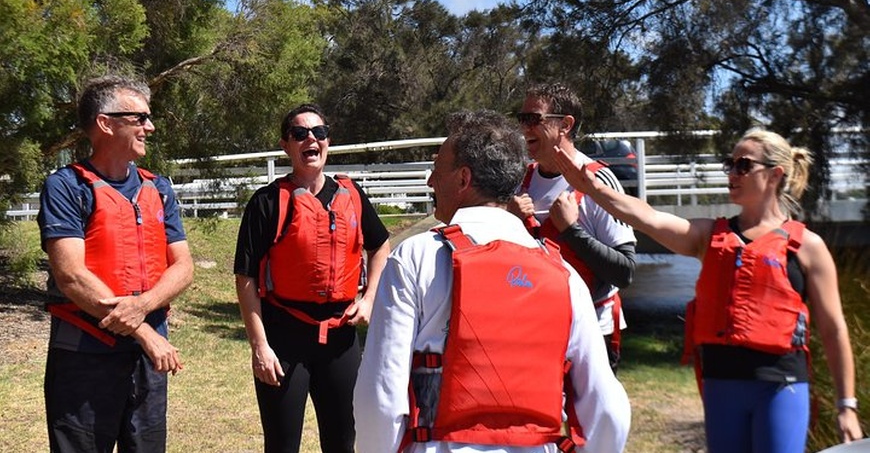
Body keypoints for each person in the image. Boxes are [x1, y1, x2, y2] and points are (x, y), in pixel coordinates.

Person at [551, 127, 864, 452]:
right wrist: (590, 188)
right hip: (721, 383)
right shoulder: (708, 236)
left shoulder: (808, 247)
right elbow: (647, 218)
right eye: (730, 163)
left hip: (781, 386)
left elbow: (834, 329)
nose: (732, 172)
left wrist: (846, 405)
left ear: (775, 175)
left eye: (744, 165)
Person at [355, 110, 630, 453]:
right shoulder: (565, 276)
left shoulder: (416, 257)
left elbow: (381, 394)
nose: (429, 182)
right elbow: (607, 407)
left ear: (463, 179)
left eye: (436, 171)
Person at [37, 75, 194, 452]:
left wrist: (142, 310)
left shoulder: (158, 187)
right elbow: (72, 276)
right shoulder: (65, 187)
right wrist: (144, 331)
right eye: (140, 118)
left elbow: (183, 265)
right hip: (84, 359)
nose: (150, 127)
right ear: (106, 123)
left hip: (147, 361)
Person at [233, 103, 391, 453]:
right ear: (286, 145)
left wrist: (368, 298)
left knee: (342, 443)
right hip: (285, 337)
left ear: (328, 141)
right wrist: (260, 346)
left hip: (340, 341)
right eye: (300, 133)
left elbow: (381, 245)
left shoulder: (351, 195)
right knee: (282, 444)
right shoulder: (267, 202)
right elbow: (245, 277)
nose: (311, 139)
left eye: (319, 132)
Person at [510, 82, 636, 372]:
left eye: (533, 119)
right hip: (537, 330)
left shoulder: (597, 182)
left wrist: (571, 231)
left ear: (565, 125)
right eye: (521, 118)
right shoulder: (520, 181)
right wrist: (509, 219)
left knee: (593, 420)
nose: (524, 128)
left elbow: (625, 271)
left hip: (591, 333)